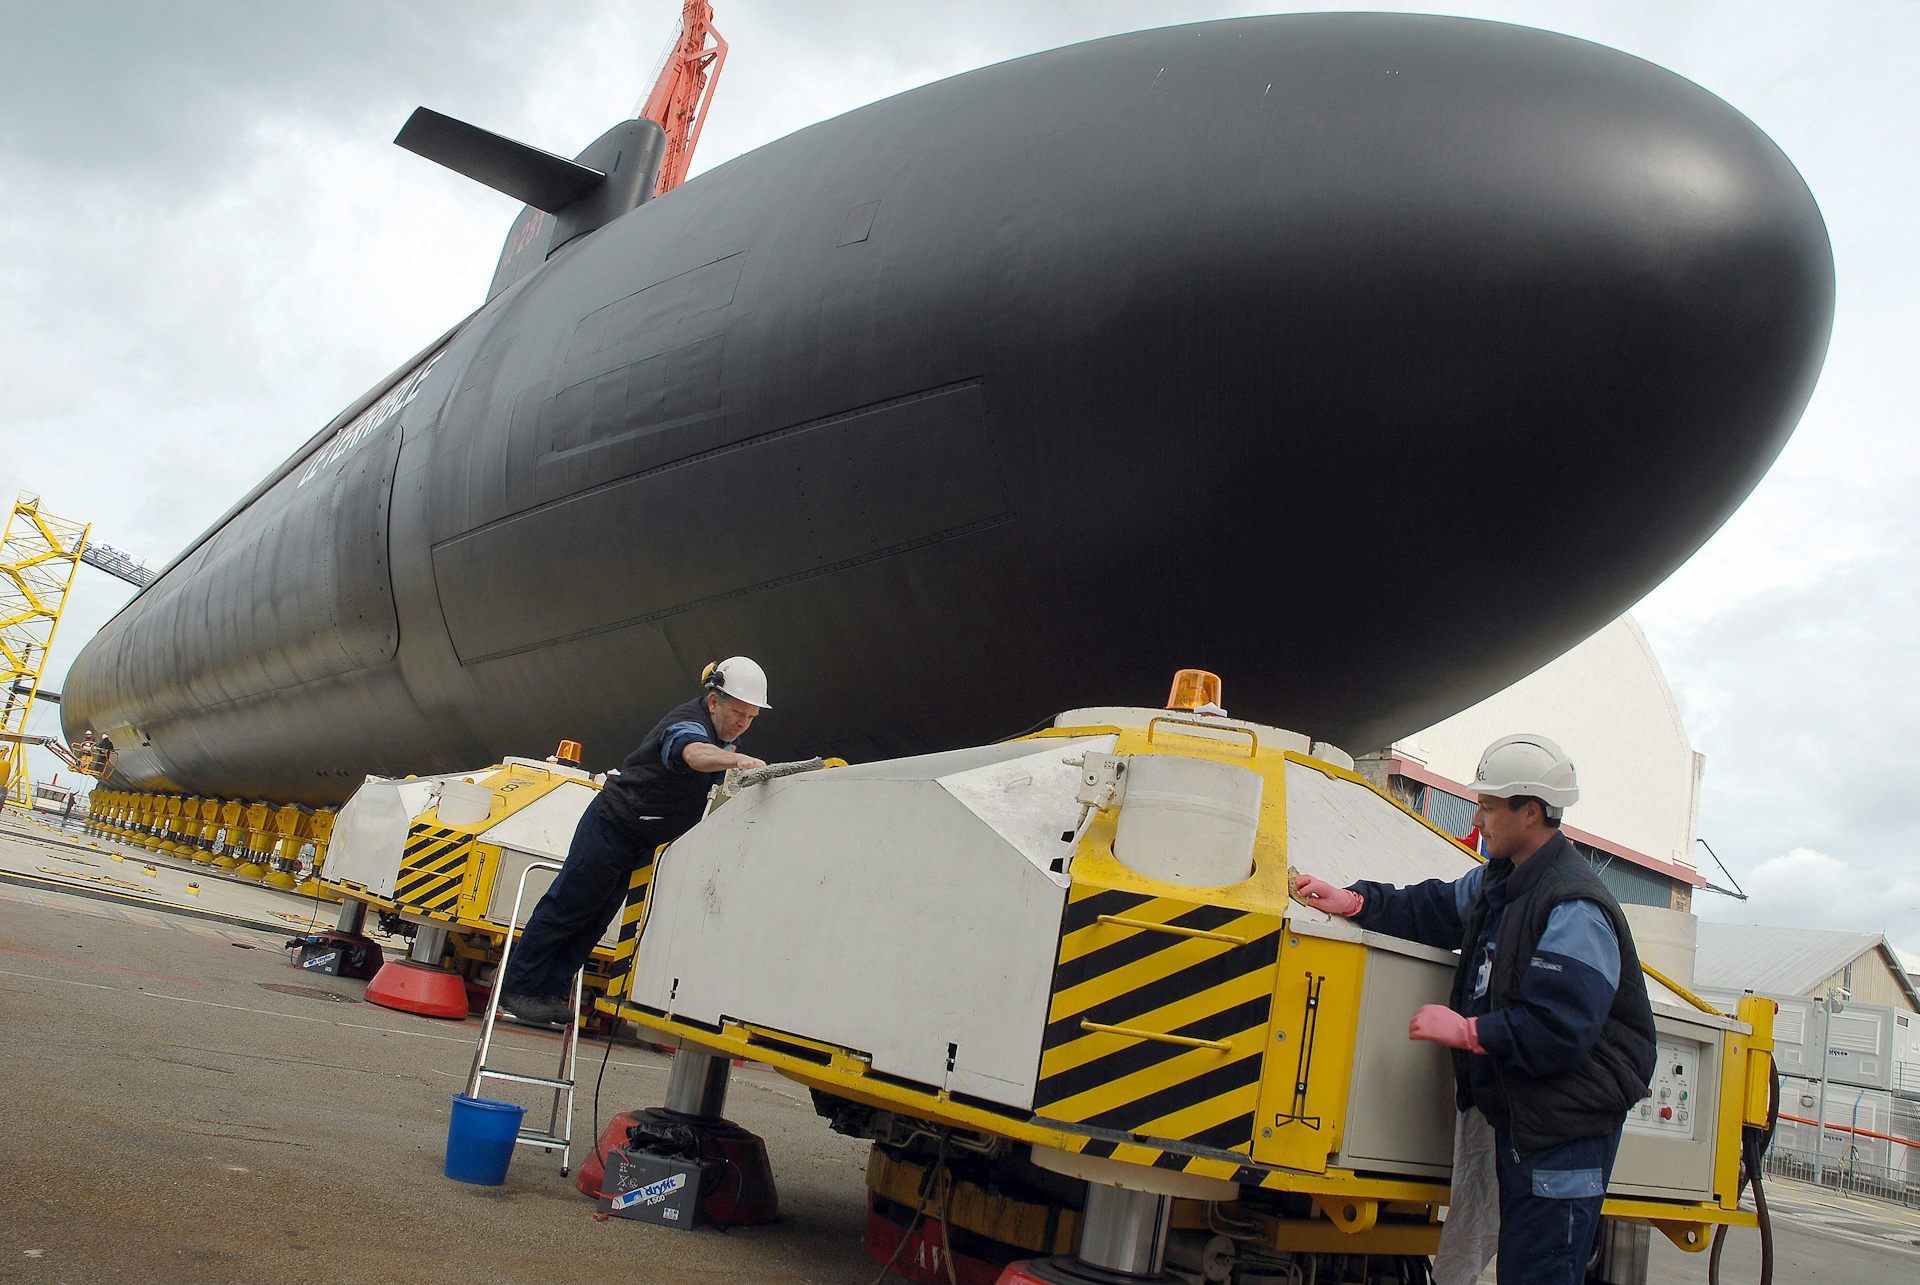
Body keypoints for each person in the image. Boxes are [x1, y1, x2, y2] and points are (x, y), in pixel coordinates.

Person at [1291, 734, 1655, 1285]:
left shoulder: (1573, 906)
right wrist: (1359, 901)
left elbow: (1561, 1028)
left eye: (1488, 805)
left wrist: (1470, 1030)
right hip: (1519, 1115)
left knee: (1540, 1272)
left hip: (1563, 1130)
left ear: (1529, 812)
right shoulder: (1503, 882)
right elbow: (1436, 906)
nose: (1478, 817)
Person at [498, 658, 771, 1026]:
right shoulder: (687, 724)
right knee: (568, 905)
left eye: (751, 717)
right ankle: (518, 989)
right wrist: (738, 762)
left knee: (597, 917)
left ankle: (549, 991)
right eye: (738, 712)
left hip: (641, 838)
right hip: (613, 823)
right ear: (713, 702)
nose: (742, 723)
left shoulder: (723, 740)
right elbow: (691, 753)